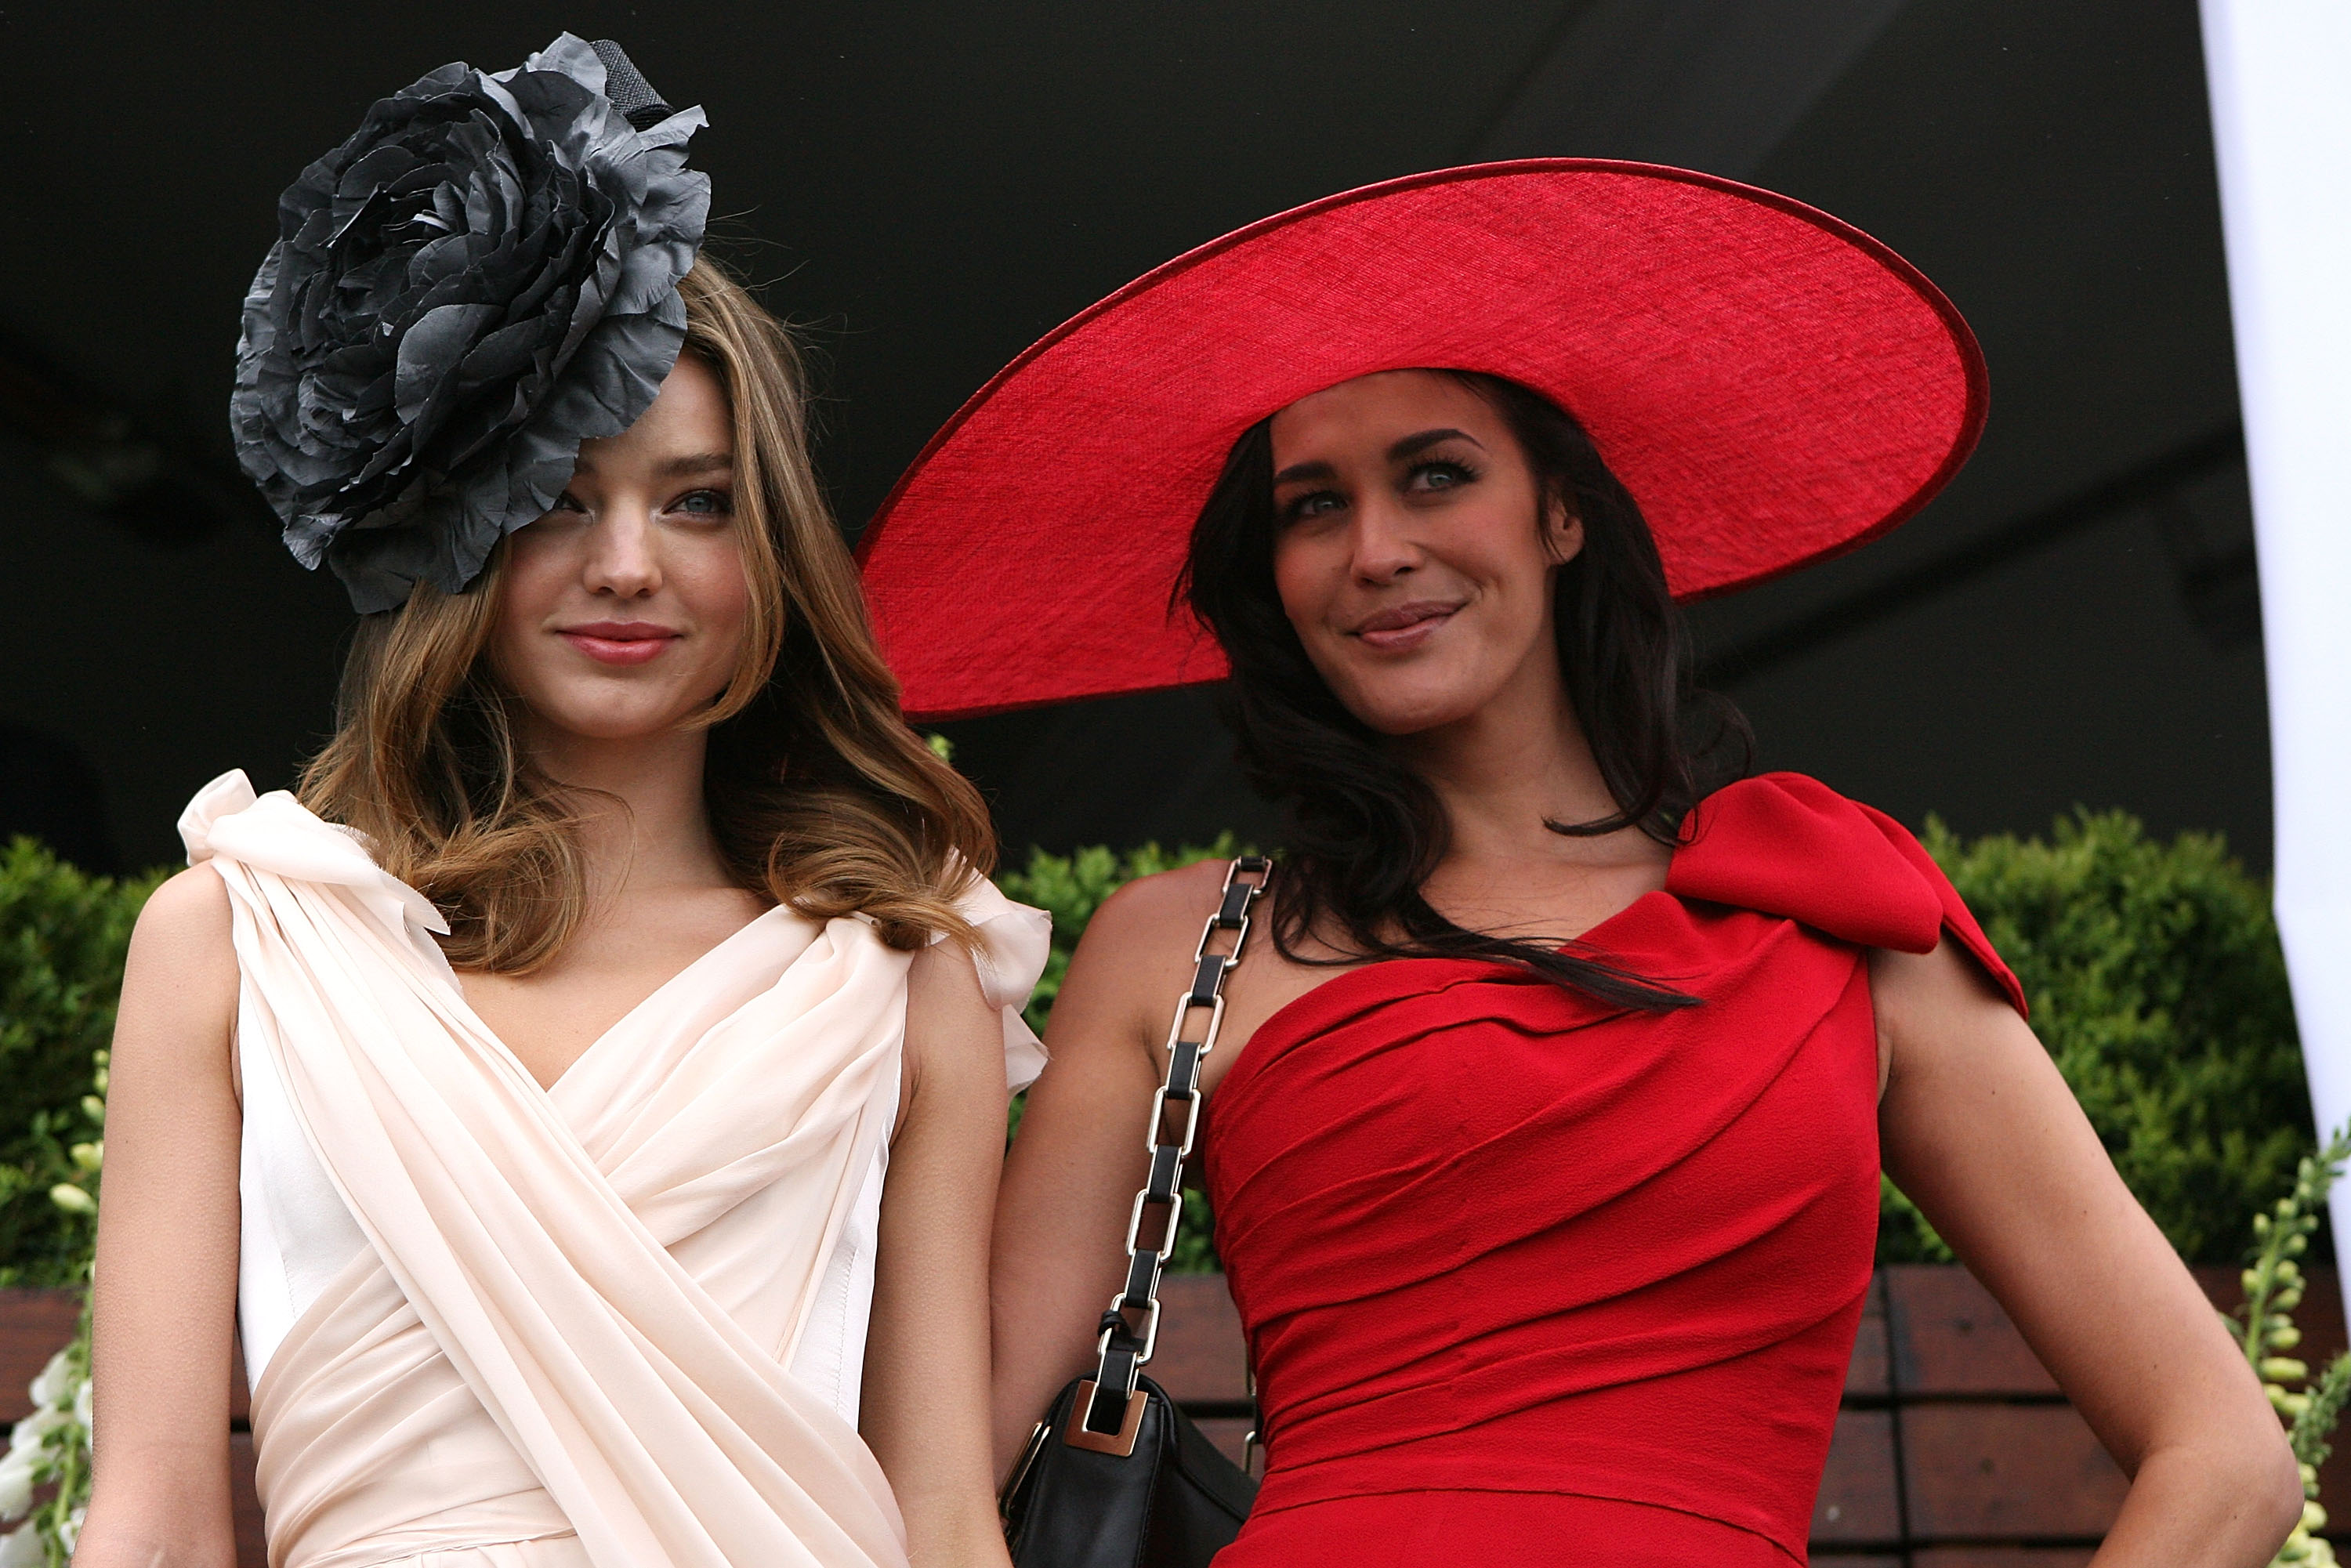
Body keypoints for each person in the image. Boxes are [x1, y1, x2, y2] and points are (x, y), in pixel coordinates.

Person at [857, 164, 2304, 1564]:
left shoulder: (1834, 910)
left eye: (1436, 474)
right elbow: (942, 1460)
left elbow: (2225, 1458)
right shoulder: (1176, 946)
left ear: (1562, 513)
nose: (1376, 547)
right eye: (1314, 505)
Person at [79, 37, 1036, 1568]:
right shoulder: (235, 946)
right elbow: (157, 1511)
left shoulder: (901, 976)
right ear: (459, 536)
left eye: (697, 501)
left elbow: (941, 1509)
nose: (630, 563)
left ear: (770, 552)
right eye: (560, 497)